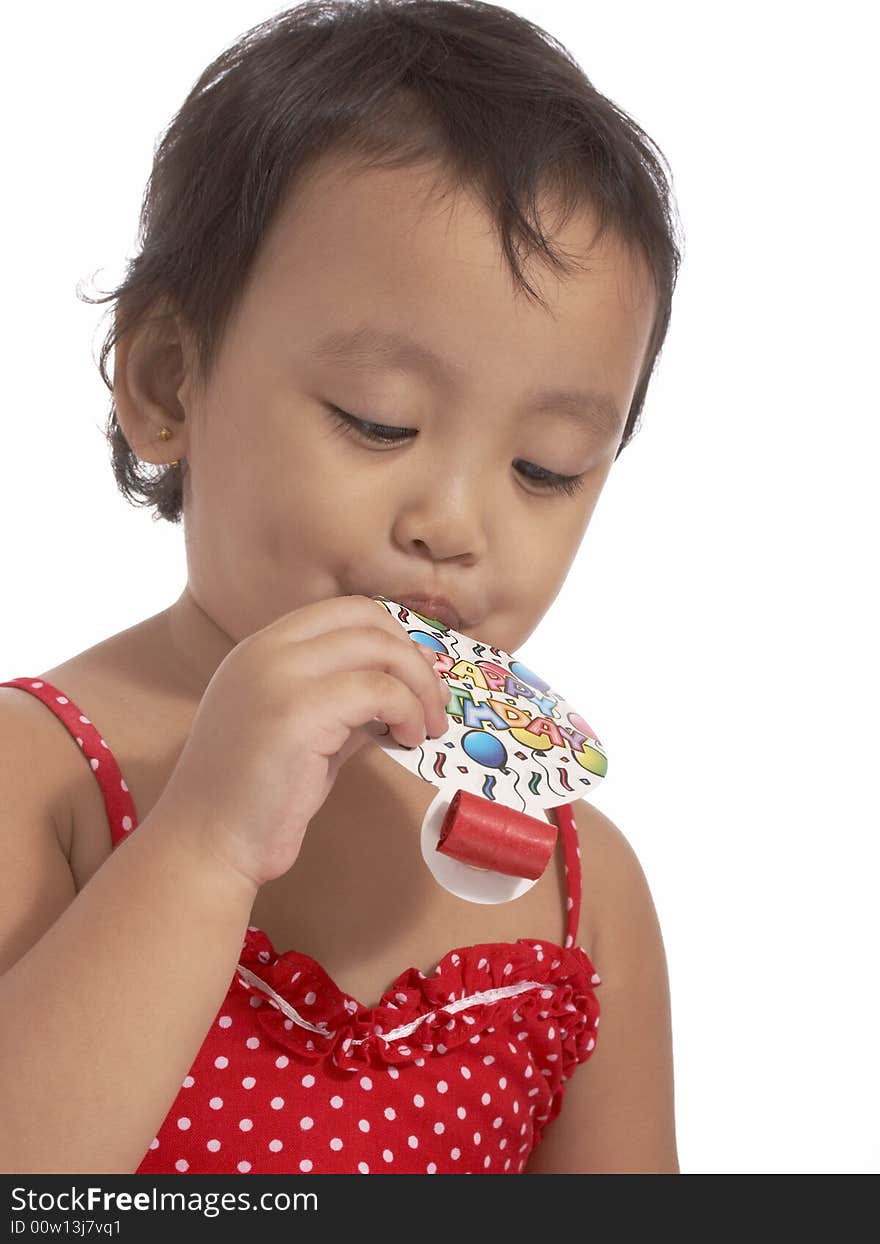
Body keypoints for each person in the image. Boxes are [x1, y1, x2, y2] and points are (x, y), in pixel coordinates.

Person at [0, 0, 681, 1175]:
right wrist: (205, 838)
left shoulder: (581, 884)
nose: (454, 524)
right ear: (169, 381)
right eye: (380, 421)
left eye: (545, 469)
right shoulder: (41, 776)